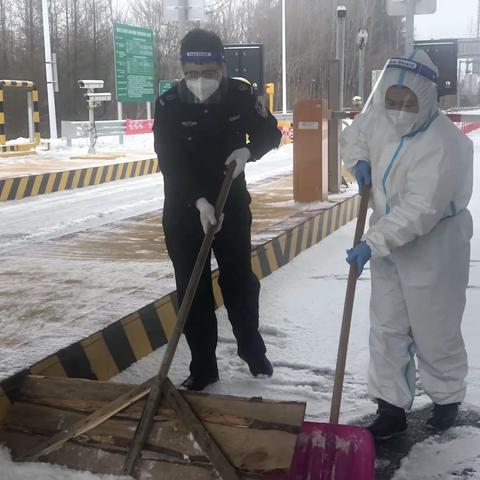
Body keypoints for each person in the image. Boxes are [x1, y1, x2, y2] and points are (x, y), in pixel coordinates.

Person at [341, 50, 473, 439]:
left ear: (427, 99)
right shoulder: (380, 118)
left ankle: (447, 397)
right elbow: (357, 134)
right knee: (387, 325)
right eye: (392, 100)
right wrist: (358, 159)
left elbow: (421, 209)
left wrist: (372, 242)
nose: (398, 110)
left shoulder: (445, 144)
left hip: (435, 244)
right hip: (388, 236)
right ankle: (390, 407)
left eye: (408, 102)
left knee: (434, 326)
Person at [153, 29, 281, 391]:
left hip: (232, 202)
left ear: (222, 67)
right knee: (192, 289)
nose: (200, 80)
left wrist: (248, 152)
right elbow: (170, 162)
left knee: (239, 278)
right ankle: (204, 367)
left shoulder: (240, 96)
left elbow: (271, 132)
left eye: (208, 71)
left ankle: (251, 349)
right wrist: (198, 202)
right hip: (184, 207)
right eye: (192, 72)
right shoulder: (169, 106)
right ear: (181, 69)